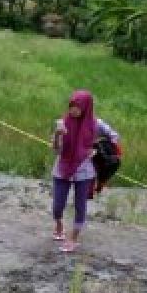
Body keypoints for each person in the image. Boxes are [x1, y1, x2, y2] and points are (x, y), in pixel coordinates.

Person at [51, 90, 106, 254]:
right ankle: (59, 225)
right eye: (71, 106)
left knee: (79, 205)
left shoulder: (96, 124)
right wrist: (57, 136)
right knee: (57, 205)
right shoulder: (63, 123)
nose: (73, 110)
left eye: (77, 107)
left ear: (86, 107)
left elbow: (114, 137)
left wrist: (96, 149)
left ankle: (73, 238)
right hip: (62, 169)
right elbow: (56, 150)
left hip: (84, 172)